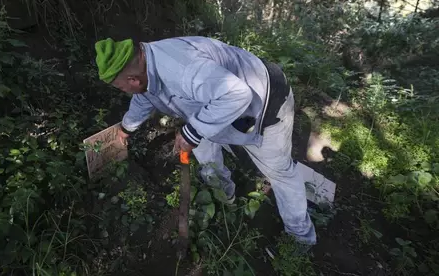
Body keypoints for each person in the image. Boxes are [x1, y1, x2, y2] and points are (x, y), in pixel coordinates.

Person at [94, 36, 316, 247]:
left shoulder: (180, 69)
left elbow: (237, 94)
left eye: (122, 88)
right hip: (212, 102)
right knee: (202, 139)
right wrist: (126, 128)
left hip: (265, 99)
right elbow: (144, 97)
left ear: (133, 79)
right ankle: (225, 197)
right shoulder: (144, 68)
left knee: (280, 171)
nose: (125, 92)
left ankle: (300, 237)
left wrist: (192, 133)